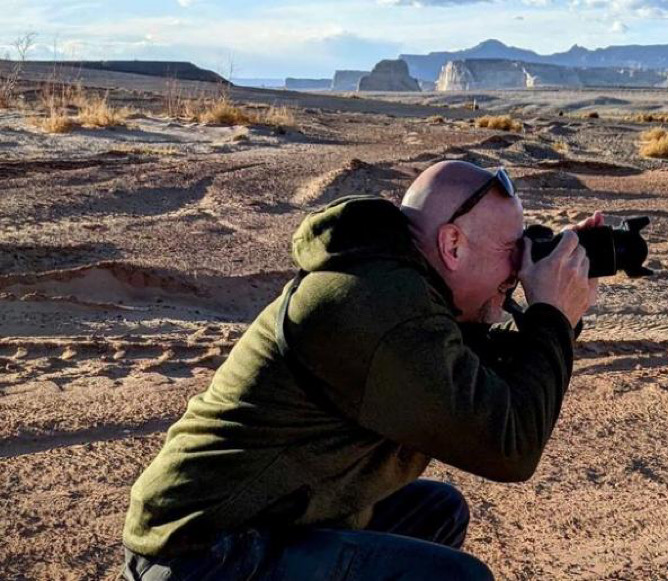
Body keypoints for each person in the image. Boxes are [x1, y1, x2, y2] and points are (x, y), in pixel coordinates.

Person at [121, 160, 600, 580]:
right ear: (452, 245)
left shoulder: (404, 286)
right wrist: (551, 317)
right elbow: (508, 446)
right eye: (512, 250)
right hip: (201, 552)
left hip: (262, 520)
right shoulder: (378, 305)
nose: (519, 270)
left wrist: (558, 298)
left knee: (436, 511)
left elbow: (484, 376)